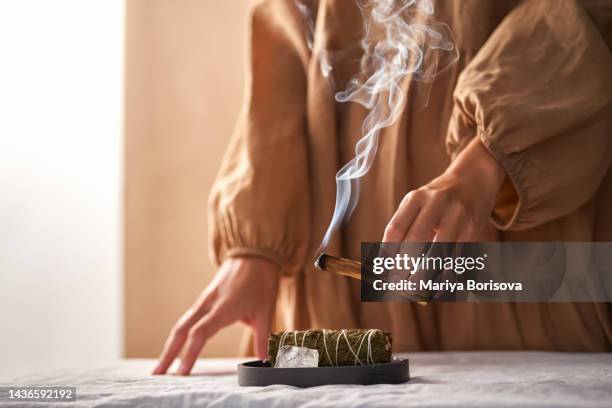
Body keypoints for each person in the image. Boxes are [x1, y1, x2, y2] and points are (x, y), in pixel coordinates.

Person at [153, 0, 612, 376]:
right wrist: (254, 249)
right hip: (339, 315)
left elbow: (588, 20)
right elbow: (290, 33)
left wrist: (486, 164)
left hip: (521, 282)